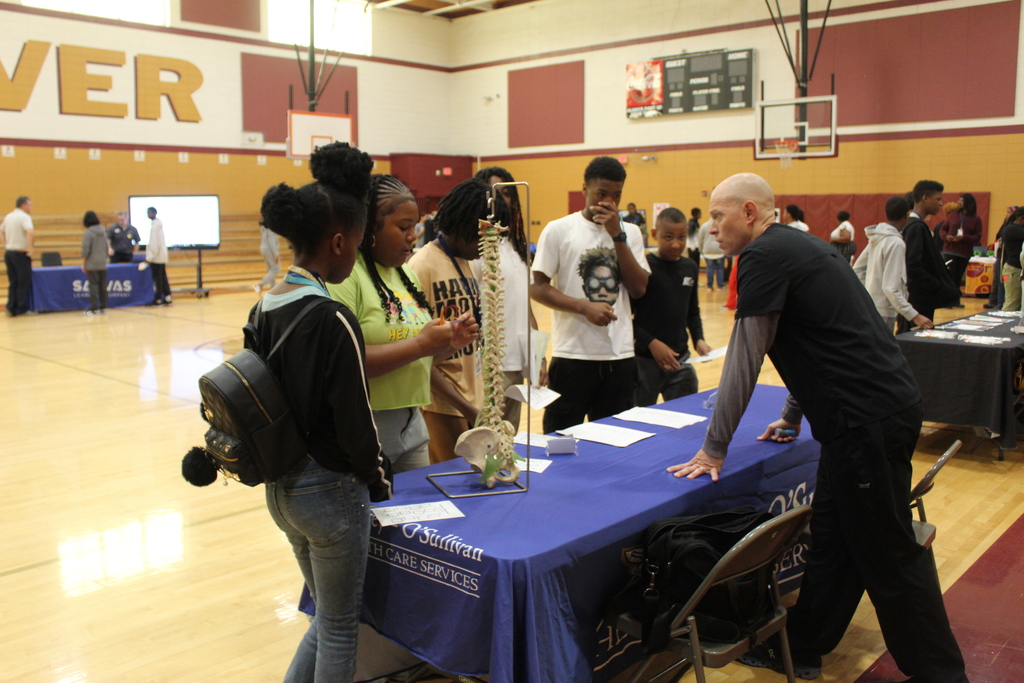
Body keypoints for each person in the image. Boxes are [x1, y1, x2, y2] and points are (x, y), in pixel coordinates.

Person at [668, 172, 969, 683]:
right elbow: (822, 340)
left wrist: (714, 449)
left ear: (748, 212)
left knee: (888, 554)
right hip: (874, 412)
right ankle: (805, 646)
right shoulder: (801, 247)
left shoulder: (762, 256)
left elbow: (746, 355)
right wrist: (790, 415)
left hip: (864, 421)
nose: (711, 228)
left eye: (718, 217)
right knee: (834, 536)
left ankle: (942, 674)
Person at [257, 141, 393, 682]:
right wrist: (377, 480)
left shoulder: (267, 302)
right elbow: (357, 424)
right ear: (339, 242)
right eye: (359, 245)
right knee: (340, 627)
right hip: (331, 491)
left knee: (325, 619)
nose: (358, 255)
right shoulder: (332, 316)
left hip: (281, 488)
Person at [329, 174, 478, 473]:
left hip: (411, 424)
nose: (414, 235)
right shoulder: (346, 276)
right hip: (365, 423)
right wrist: (421, 343)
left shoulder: (404, 274)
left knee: (415, 516)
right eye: (403, 227)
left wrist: (448, 345)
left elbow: (416, 359)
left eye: (415, 226)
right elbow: (347, 361)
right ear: (369, 227)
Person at [530, 156, 650, 433]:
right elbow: (537, 287)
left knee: (614, 441)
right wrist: (583, 307)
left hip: (619, 356)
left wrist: (616, 235)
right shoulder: (559, 229)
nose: (609, 202)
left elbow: (638, 288)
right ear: (585, 189)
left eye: (616, 195)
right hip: (573, 355)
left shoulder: (629, 232)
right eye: (601, 194)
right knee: (559, 438)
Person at [410, 178, 507, 462]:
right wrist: (465, 407)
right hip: (441, 404)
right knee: (453, 484)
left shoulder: (465, 262)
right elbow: (419, 359)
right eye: (484, 236)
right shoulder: (422, 266)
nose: (488, 245)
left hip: (470, 399)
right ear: (465, 225)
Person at [476, 166, 548, 428]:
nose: (502, 200)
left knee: (508, 441)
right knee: (482, 445)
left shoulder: (516, 246)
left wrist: (538, 358)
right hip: (487, 367)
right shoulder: (476, 247)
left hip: (517, 364)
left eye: (507, 193)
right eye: (496, 193)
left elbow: (527, 311)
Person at [631, 207, 711, 406]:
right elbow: (626, 318)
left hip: (680, 360)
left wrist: (699, 339)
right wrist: (652, 343)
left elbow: (692, 311)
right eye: (668, 237)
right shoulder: (642, 268)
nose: (676, 244)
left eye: (682, 237)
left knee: (686, 418)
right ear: (654, 234)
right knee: (639, 421)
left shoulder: (690, 267)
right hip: (644, 361)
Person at [853, 196, 932, 333]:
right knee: (882, 352)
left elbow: (857, 270)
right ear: (907, 214)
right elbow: (891, 288)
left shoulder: (877, 238)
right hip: (884, 311)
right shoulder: (895, 243)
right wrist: (916, 316)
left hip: (871, 308)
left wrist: (870, 295)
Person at [899, 180, 959, 331]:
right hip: (918, 298)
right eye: (938, 199)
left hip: (920, 298)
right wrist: (935, 284)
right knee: (911, 340)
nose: (941, 204)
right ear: (925, 198)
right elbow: (912, 265)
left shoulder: (918, 226)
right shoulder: (916, 227)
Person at [940, 193, 983, 298]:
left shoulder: (976, 219)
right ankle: (947, 298)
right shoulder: (952, 215)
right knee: (949, 274)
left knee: (958, 277)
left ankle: (954, 298)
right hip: (950, 249)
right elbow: (943, 229)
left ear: (968, 203)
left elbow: (977, 236)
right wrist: (947, 237)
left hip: (964, 252)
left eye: (961, 201)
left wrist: (964, 238)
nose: (958, 202)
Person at [2, 196, 34, 317]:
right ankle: (21, 308)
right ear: (23, 205)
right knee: (23, 282)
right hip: (20, 253)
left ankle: (10, 307)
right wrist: (30, 249)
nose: (31, 208)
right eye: (29, 205)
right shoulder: (24, 217)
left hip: (9, 253)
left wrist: (6, 244)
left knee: (13, 281)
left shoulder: (8, 216)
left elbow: (1, 230)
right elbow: (30, 232)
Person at [81, 211, 108, 316]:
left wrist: (84, 263)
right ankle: (103, 307)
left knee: (93, 286)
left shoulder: (88, 232)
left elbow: (85, 250)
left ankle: (94, 308)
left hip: (92, 263)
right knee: (102, 286)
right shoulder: (103, 231)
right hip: (102, 262)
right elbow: (106, 247)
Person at [145, 206, 172, 306]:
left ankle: (158, 299)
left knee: (158, 279)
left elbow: (154, 244)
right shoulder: (157, 226)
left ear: (153, 213)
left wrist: (150, 257)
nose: (148, 214)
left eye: (149, 212)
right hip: (161, 256)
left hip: (156, 258)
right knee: (163, 278)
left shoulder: (155, 227)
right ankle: (168, 297)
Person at [998, 208, 1024, 311]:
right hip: (1013, 270)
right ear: (1021, 218)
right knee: (1012, 304)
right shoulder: (1012, 229)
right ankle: (1003, 326)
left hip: (1015, 270)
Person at [697, 215, 726, 290]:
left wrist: (701, 250)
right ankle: (720, 286)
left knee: (710, 268)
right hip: (719, 250)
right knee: (720, 269)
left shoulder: (704, 226)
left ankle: (709, 286)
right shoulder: (722, 225)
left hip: (708, 250)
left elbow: (700, 239)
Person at [254, 222, 281, 294]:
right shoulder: (271, 227)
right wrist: (276, 253)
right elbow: (271, 241)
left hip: (263, 248)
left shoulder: (264, 226)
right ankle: (260, 284)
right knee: (275, 269)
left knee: (270, 268)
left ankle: (272, 285)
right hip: (269, 249)